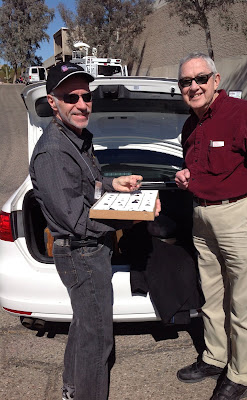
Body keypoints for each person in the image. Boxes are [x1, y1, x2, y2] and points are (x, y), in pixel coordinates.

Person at [29, 62, 160, 400]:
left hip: (89, 251)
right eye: (70, 96)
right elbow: (76, 219)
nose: (82, 103)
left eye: (86, 96)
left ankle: (73, 391)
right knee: (97, 336)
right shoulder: (54, 150)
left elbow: (88, 186)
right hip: (80, 253)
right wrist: (133, 215)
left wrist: (111, 184)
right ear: (52, 101)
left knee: (85, 329)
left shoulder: (77, 138)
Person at [174, 52, 247, 400]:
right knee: (211, 298)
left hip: (239, 217)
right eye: (186, 82)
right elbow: (201, 169)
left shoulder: (245, 115)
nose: (193, 86)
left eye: (200, 79)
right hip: (202, 219)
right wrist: (185, 179)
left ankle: (240, 375)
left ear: (216, 80)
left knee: (244, 303)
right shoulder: (190, 125)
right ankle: (214, 356)